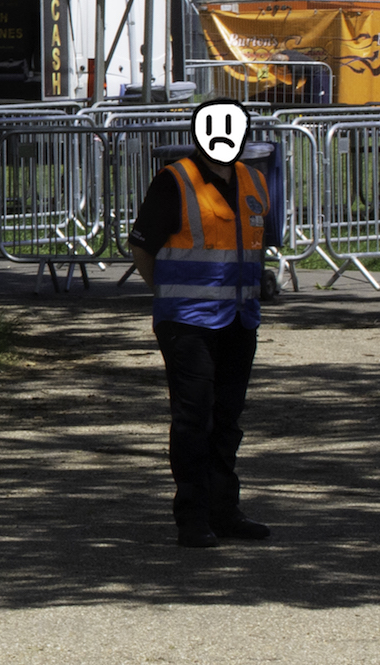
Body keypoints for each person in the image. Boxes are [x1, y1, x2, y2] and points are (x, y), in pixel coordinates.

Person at [128, 99, 273, 548]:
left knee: (227, 419)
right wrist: (169, 295)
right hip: (187, 322)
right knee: (194, 420)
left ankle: (225, 511)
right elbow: (141, 248)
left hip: (238, 318)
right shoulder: (175, 181)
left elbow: (256, 244)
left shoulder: (253, 181)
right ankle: (192, 517)